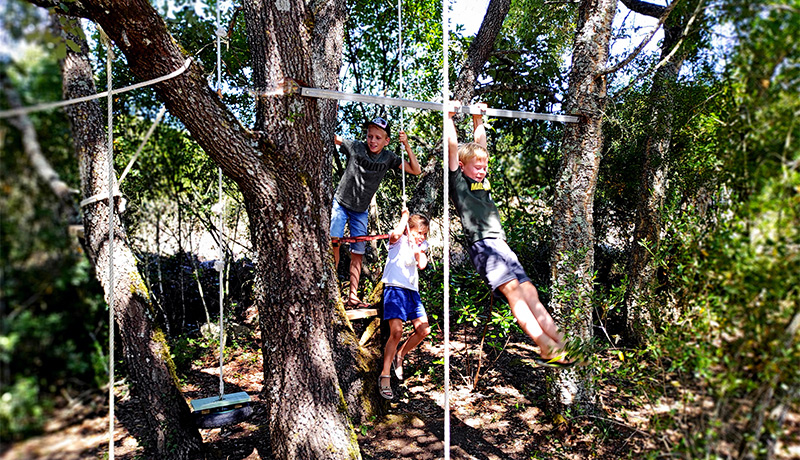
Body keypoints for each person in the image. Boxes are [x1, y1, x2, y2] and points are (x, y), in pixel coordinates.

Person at [445, 102, 572, 366]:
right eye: (476, 167)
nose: (482, 170)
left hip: (501, 244)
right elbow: (452, 149)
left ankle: (562, 342)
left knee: (530, 291)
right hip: (482, 246)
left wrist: (478, 118)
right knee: (513, 290)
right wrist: (449, 117)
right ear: (462, 166)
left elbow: (482, 148)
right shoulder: (459, 183)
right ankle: (544, 345)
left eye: (484, 167)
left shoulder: (483, 181)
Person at [332, 117, 422, 308]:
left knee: (358, 251)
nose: (372, 141)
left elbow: (415, 170)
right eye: (369, 136)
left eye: (378, 138)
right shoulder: (356, 147)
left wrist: (406, 145)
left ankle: (353, 296)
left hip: (361, 210)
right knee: (334, 242)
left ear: (387, 140)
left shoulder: (388, 158)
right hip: (341, 203)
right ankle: (331, 291)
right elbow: (334, 138)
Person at [378, 208, 430, 400]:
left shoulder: (420, 245)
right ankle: (385, 375)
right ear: (410, 229)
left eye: (424, 234)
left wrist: (417, 250)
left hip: (411, 292)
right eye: (418, 233)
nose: (421, 236)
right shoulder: (398, 239)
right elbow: (397, 233)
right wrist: (405, 218)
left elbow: (422, 264)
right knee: (397, 332)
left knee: (424, 330)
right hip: (395, 288)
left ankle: (401, 354)